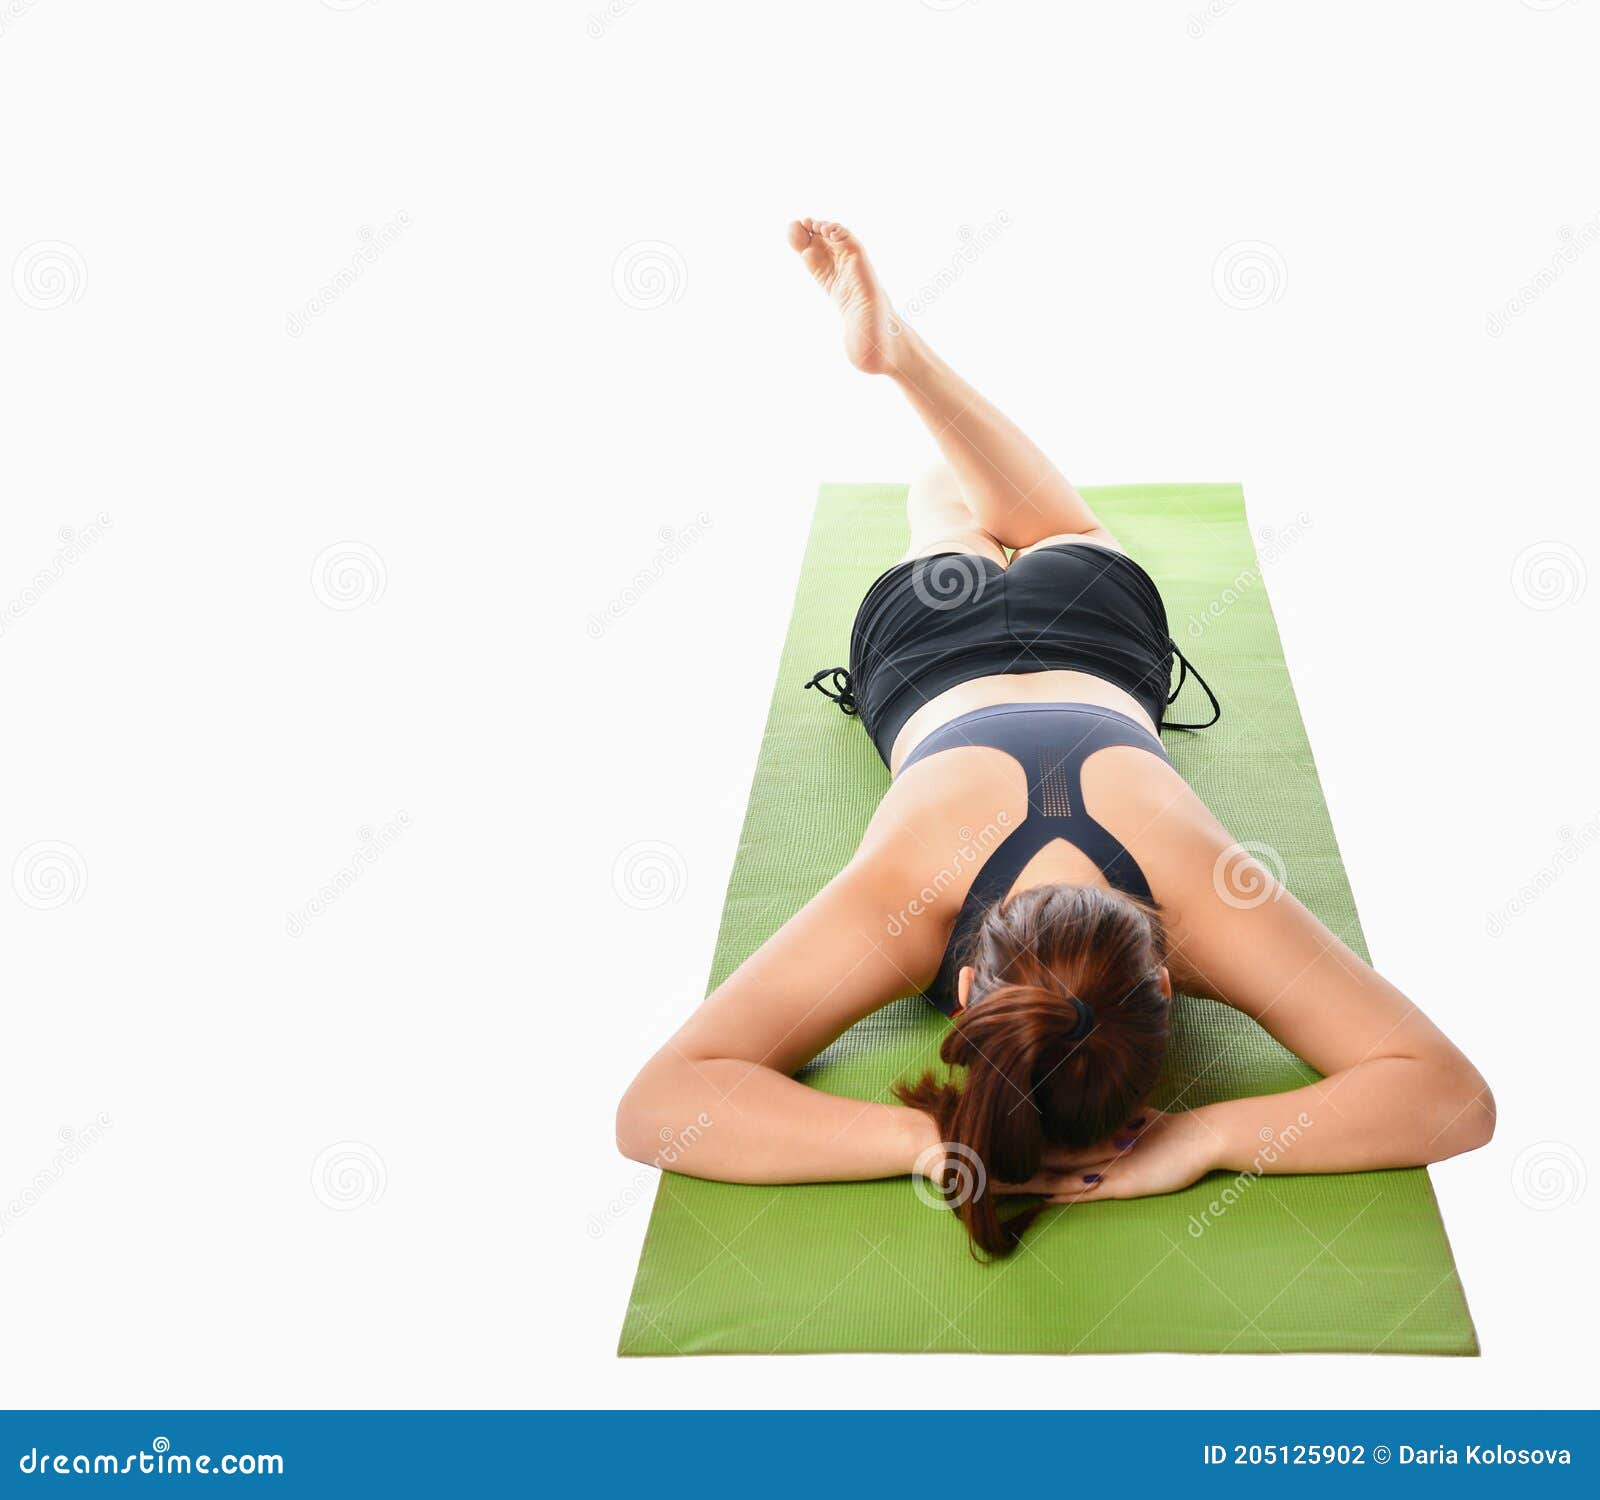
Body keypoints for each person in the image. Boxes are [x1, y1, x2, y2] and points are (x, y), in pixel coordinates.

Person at [616, 219, 1493, 1256]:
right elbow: (1446, 1097)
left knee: (1051, 530)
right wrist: (930, 1140)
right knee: (945, 517)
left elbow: (655, 1106)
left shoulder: (1198, 898)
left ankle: (907, 364)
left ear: (1163, 984)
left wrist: (1202, 1134)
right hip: (929, 650)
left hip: (1095, 626)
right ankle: (906, 370)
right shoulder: (915, 899)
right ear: (975, 994)